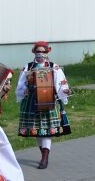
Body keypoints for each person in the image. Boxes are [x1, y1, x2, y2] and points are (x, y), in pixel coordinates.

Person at [15, 41, 72, 169]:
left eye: (43, 51)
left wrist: (64, 91)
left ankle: (45, 158)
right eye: (38, 51)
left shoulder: (54, 66)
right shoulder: (28, 67)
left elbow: (61, 83)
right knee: (37, 131)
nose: (40, 54)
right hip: (32, 102)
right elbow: (20, 84)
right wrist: (23, 90)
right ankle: (43, 154)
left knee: (46, 131)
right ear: (34, 52)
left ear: (47, 53)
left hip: (48, 100)